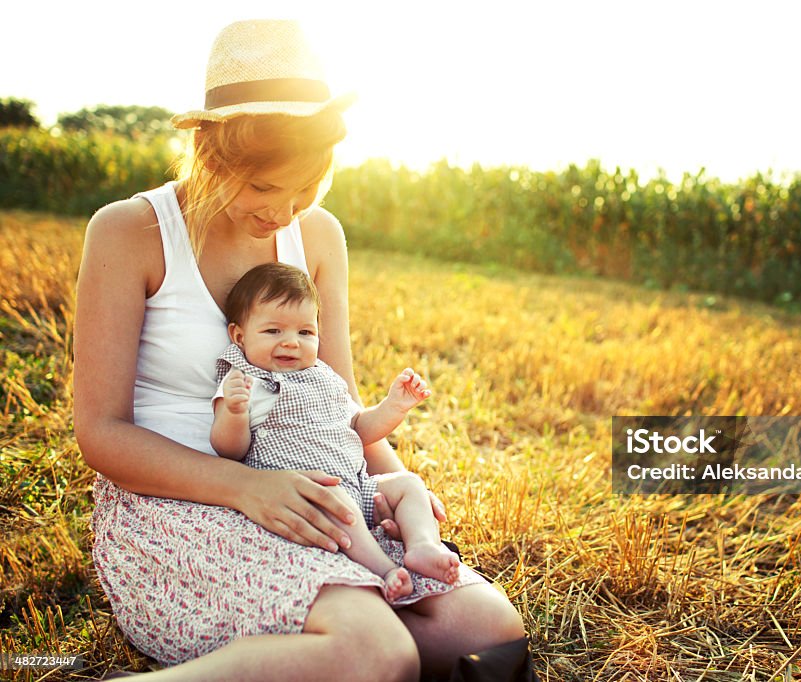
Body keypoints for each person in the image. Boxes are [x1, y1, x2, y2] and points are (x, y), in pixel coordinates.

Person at [74, 19, 528, 681]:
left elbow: (335, 401)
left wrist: (392, 487)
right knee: (379, 653)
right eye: (262, 189)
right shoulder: (130, 231)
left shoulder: (319, 236)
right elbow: (101, 434)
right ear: (210, 152)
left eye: (306, 188)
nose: (284, 213)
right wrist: (247, 488)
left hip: (316, 490)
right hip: (177, 502)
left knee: (485, 633)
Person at [211, 262, 461, 601]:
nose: (291, 343)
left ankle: (422, 546)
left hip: (357, 483)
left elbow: (358, 428)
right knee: (339, 504)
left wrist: (393, 407)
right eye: (273, 332)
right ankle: (385, 569)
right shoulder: (244, 383)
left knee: (408, 484)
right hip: (308, 493)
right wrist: (235, 413)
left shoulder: (323, 377)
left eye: (305, 333)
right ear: (239, 336)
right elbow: (229, 450)